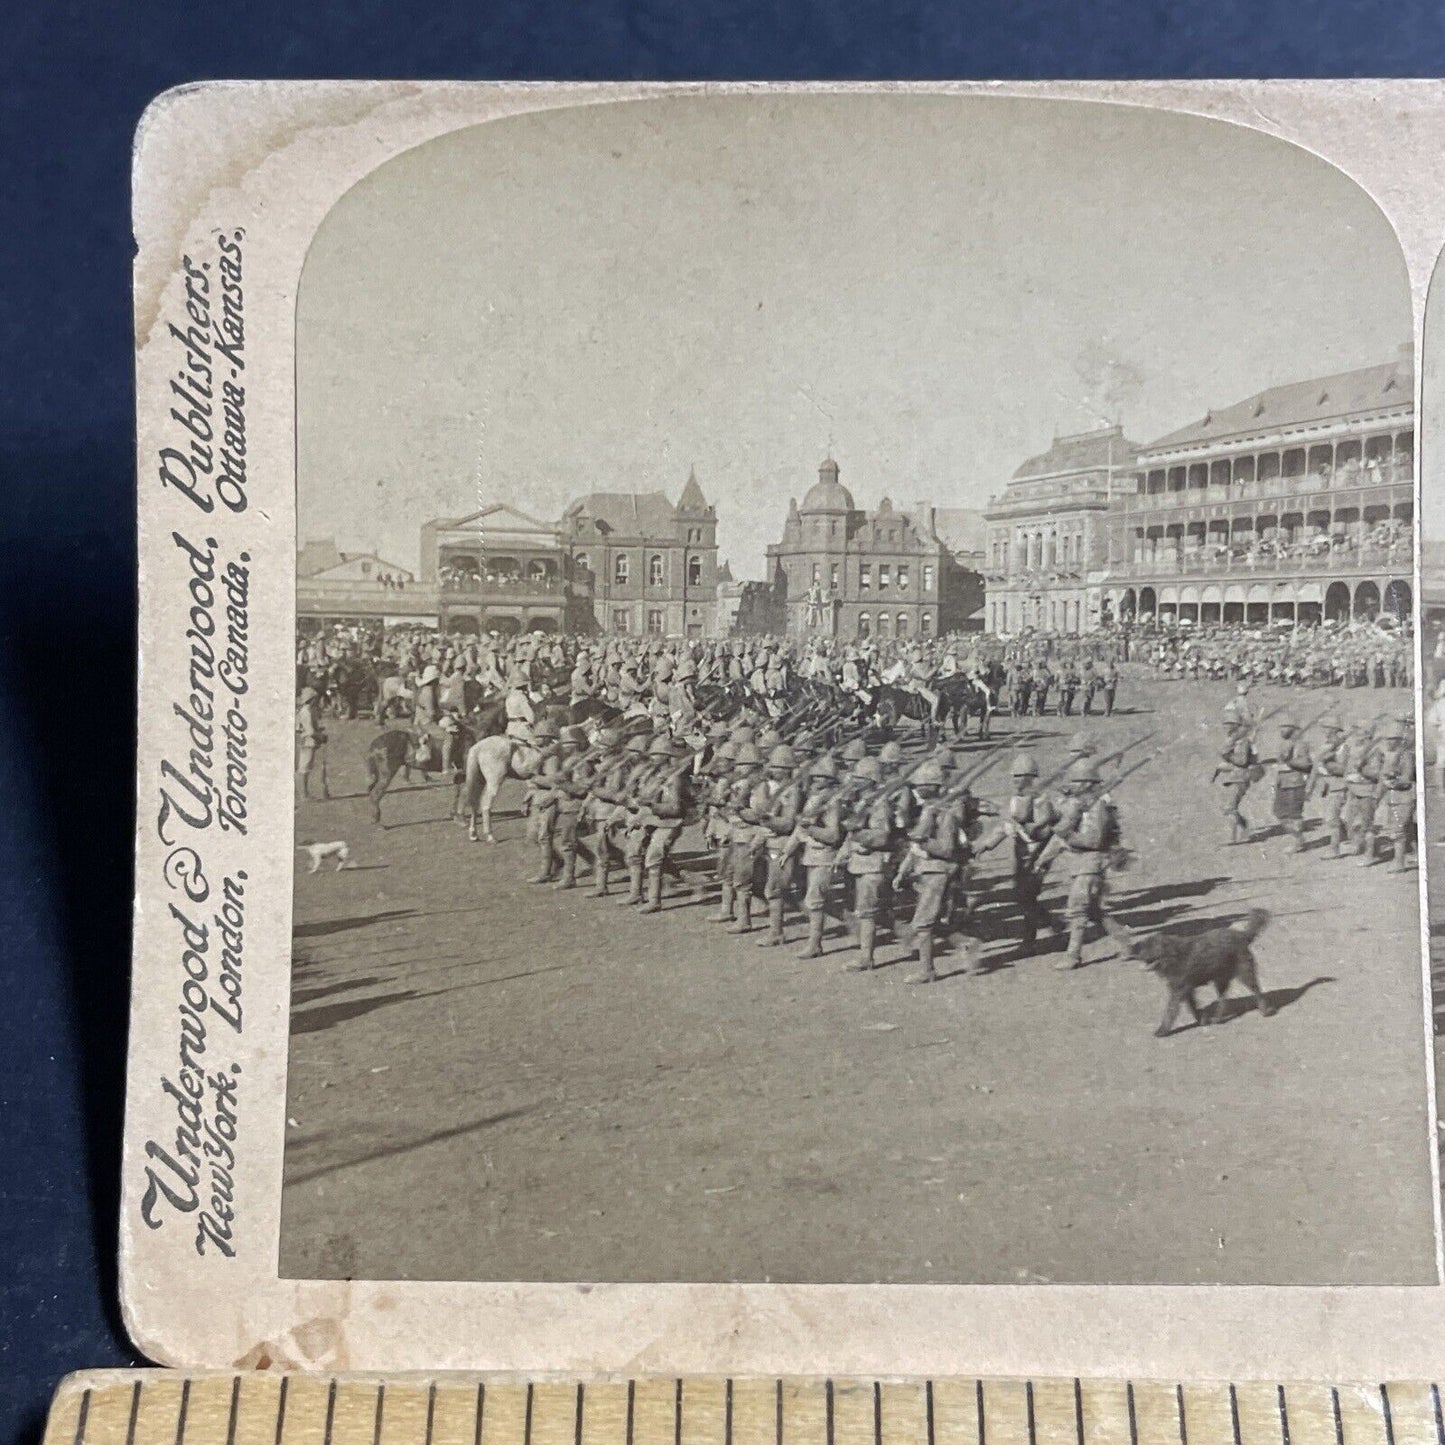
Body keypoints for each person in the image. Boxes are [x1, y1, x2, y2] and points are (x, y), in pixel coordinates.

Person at [1035, 756, 1135, 971]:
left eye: (1078, 782)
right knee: (1093, 911)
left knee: (1077, 908)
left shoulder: (1096, 807)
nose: (1073, 786)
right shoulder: (1079, 805)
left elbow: (1094, 839)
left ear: (1089, 783)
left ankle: (1073, 955)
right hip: (1081, 864)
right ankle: (1125, 940)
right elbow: (1059, 834)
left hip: (1092, 863)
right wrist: (1044, 858)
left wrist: (1069, 836)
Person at [1270, 715, 1312, 853]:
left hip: (1295, 783)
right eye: (1281, 727)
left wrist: (1289, 763)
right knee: (1279, 812)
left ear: (1293, 729)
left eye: (1284, 727)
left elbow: (1306, 764)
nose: (1281, 730)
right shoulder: (1284, 744)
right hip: (1283, 783)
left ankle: (1298, 842)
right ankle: (1298, 838)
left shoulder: (1300, 744)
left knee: (1294, 815)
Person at [295, 685, 329, 801]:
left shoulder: (306, 711)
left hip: (307, 741)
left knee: (305, 767)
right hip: (308, 742)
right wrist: (320, 735)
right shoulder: (307, 712)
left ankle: (304, 794)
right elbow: (310, 731)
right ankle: (303, 795)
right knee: (304, 767)